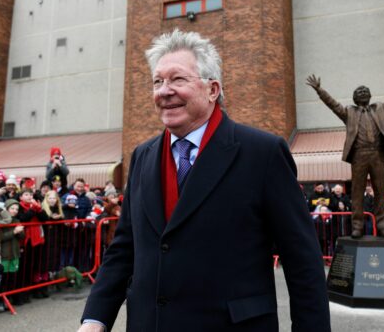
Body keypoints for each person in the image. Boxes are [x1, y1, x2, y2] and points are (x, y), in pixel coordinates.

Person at [80, 30, 330, 331]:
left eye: (178, 79)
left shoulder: (262, 153)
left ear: (212, 90)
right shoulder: (142, 155)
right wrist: (95, 319)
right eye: (157, 82)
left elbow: (301, 259)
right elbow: (125, 248)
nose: (164, 91)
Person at [306, 65, 384, 238]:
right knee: (357, 192)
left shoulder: (380, 110)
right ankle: (357, 227)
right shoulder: (349, 112)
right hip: (359, 155)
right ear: (354, 98)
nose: (362, 92)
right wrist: (319, 90)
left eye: (365, 91)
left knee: (379, 190)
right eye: (359, 91)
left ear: (370, 96)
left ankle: (382, 226)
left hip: (377, 154)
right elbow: (333, 104)